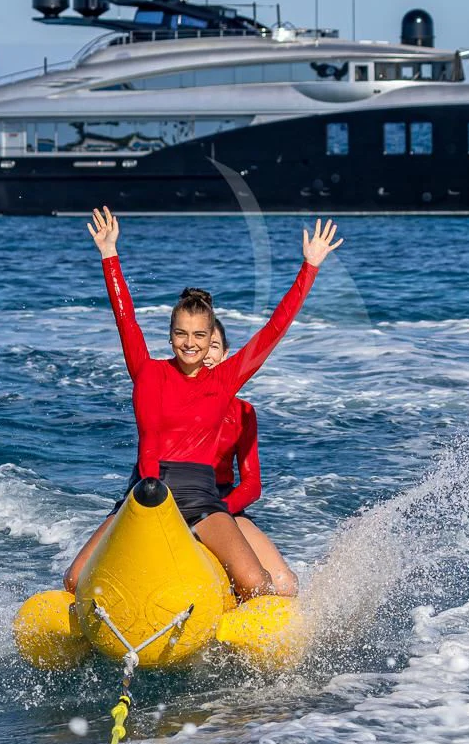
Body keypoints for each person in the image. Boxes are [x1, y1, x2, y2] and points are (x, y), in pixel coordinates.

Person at [60, 206, 338, 599]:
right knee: (75, 580)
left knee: (256, 583)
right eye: (181, 333)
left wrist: (309, 268)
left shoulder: (224, 380)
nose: (190, 343)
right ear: (170, 336)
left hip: (200, 498)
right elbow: (126, 320)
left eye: (199, 335)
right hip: (147, 493)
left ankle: (228, 635)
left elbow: (273, 329)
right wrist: (109, 254)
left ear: (212, 341)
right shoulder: (148, 371)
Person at [204, 318, 299, 596]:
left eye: (214, 345)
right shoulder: (171, 397)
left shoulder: (243, 412)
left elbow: (252, 484)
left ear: (225, 355)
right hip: (173, 498)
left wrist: (220, 510)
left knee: (284, 583)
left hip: (223, 503)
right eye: (201, 344)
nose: (207, 353)